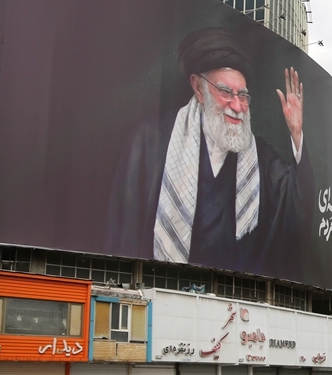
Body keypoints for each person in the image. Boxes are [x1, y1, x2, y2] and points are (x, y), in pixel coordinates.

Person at [106, 28, 314, 279]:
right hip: (161, 288)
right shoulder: (150, 142)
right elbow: (124, 232)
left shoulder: (260, 156)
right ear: (197, 87)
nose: (237, 106)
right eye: (226, 92)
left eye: (243, 95)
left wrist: (296, 133)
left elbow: (295, 209)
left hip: (237, 300)